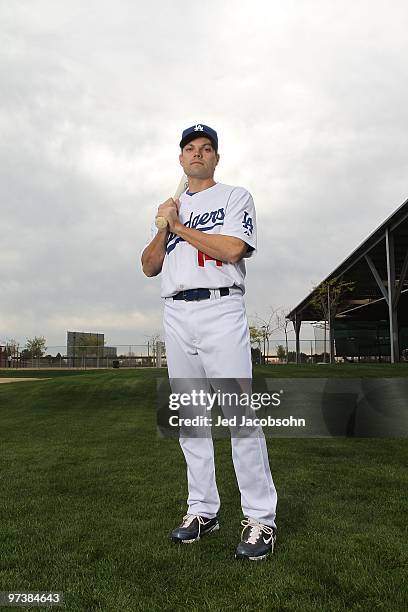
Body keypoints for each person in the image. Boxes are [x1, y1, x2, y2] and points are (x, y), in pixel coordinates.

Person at [141, 124, 277, 560]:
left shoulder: (236, 196)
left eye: (206, 148)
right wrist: (164, 227)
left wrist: (180, 225)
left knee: (240, 415)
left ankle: (261, 518)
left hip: (220, 308)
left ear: (216, 158)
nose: (197, 154)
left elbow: (234, 249)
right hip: (176, 312)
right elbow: (148, 266)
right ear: (181, 159)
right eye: (189, 148)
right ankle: (203, 509)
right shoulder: (169, 209)